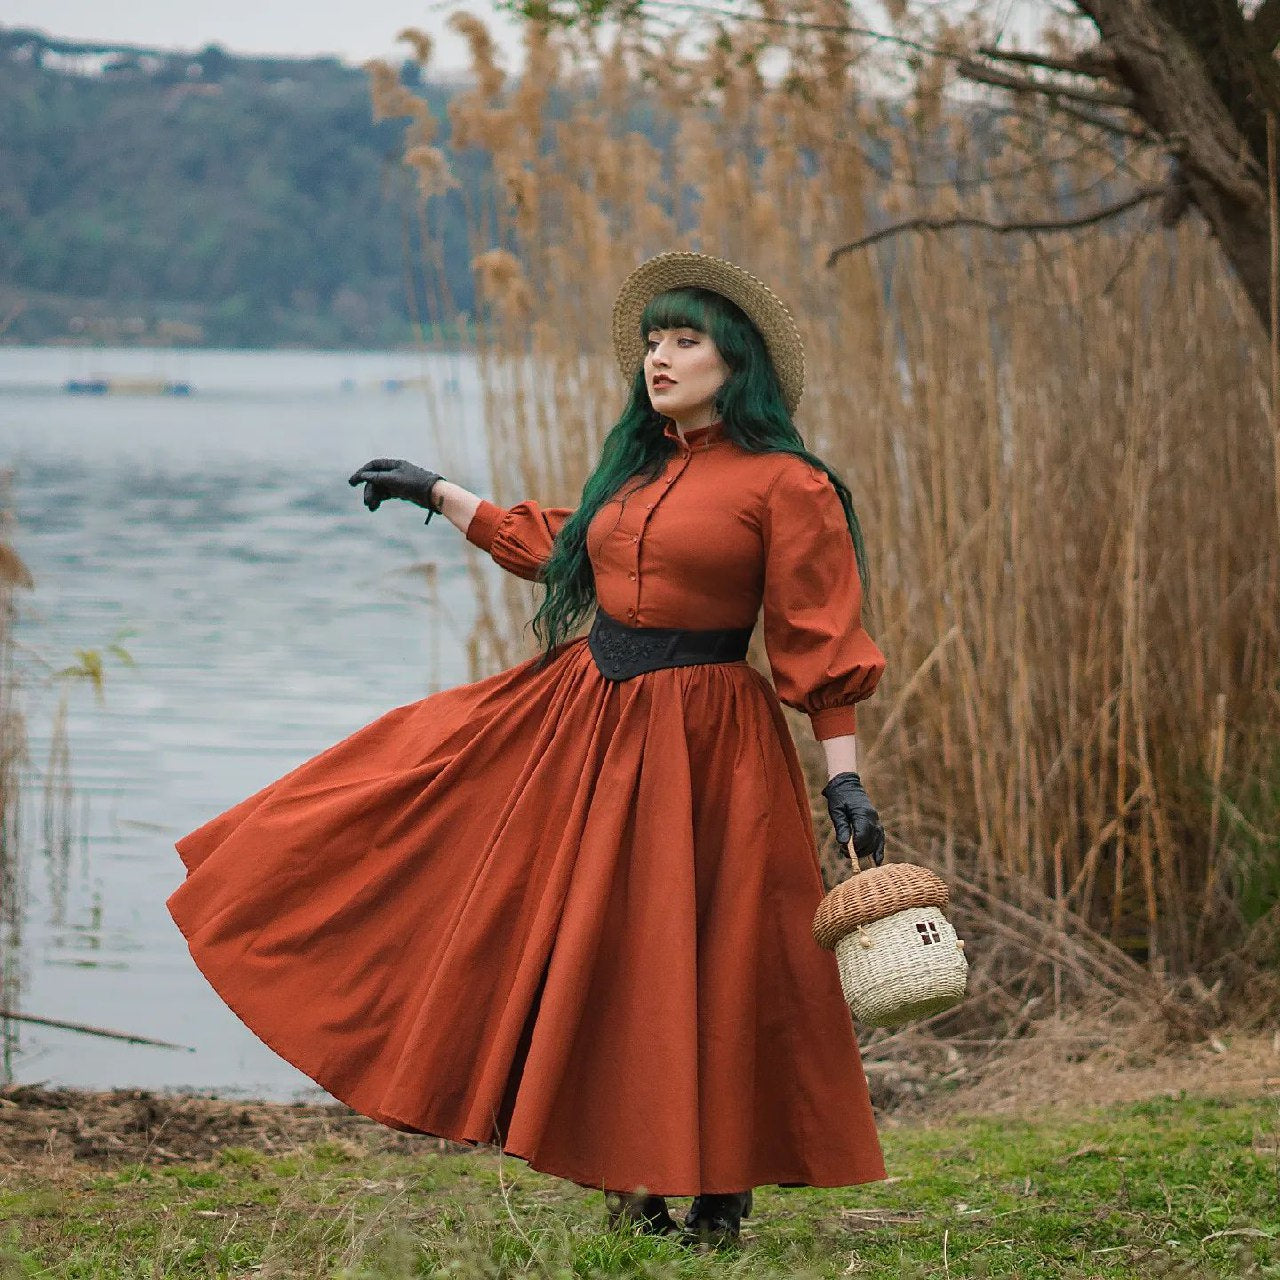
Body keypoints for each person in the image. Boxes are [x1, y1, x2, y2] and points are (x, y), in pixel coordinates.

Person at [167, 250, 888, 1249]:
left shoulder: (785, 483)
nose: (658, 358)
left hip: (707, 745)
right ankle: (633, 1181)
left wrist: (844, 780)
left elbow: (815, 638)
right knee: (577, 934)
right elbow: (556, 547)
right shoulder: (633, 470)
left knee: (713, 958)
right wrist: (437, 489)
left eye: (683, 340)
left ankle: (719, 1197)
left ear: (737, 359)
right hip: (585, 719)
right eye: (651, 341)